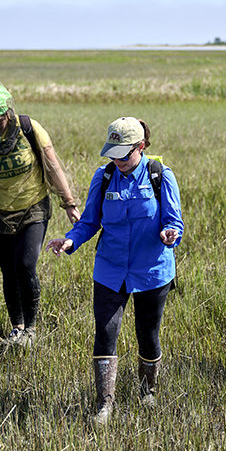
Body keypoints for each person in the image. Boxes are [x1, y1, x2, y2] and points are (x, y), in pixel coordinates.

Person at [47, 117, 183, 425]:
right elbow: (90, 221)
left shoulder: (161, 176)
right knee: (106, 332)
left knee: (147, 334)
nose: (117, 160)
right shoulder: (104, 177)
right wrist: (71, 240)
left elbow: (174, 221)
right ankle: (104, 404)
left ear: (141, 147)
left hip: (152, 270)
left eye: (124, 153)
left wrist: (170, 234)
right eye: (113, 153)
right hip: (110, 269)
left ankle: (147, 390)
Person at [0, 74, 80, 346]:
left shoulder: (30, 128)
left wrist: (69, 204)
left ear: (8, 113)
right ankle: (16, 327)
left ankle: (31, 328)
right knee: (8, 270)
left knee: (25, 265)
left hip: (34, 206)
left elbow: (53, 167)